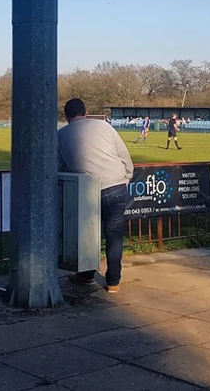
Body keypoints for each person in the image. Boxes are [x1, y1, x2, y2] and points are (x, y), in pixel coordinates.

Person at [57, 98, 134, 293]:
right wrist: (127, 176)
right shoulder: (104, 126)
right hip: (116, 185)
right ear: (87, 111)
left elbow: (58, 168)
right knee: (114, 237)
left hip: (86, 190)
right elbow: (123, 154)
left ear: (66, 116)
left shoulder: (60, 135)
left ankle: (86, 274)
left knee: (88, 236)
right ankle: (113, 282)